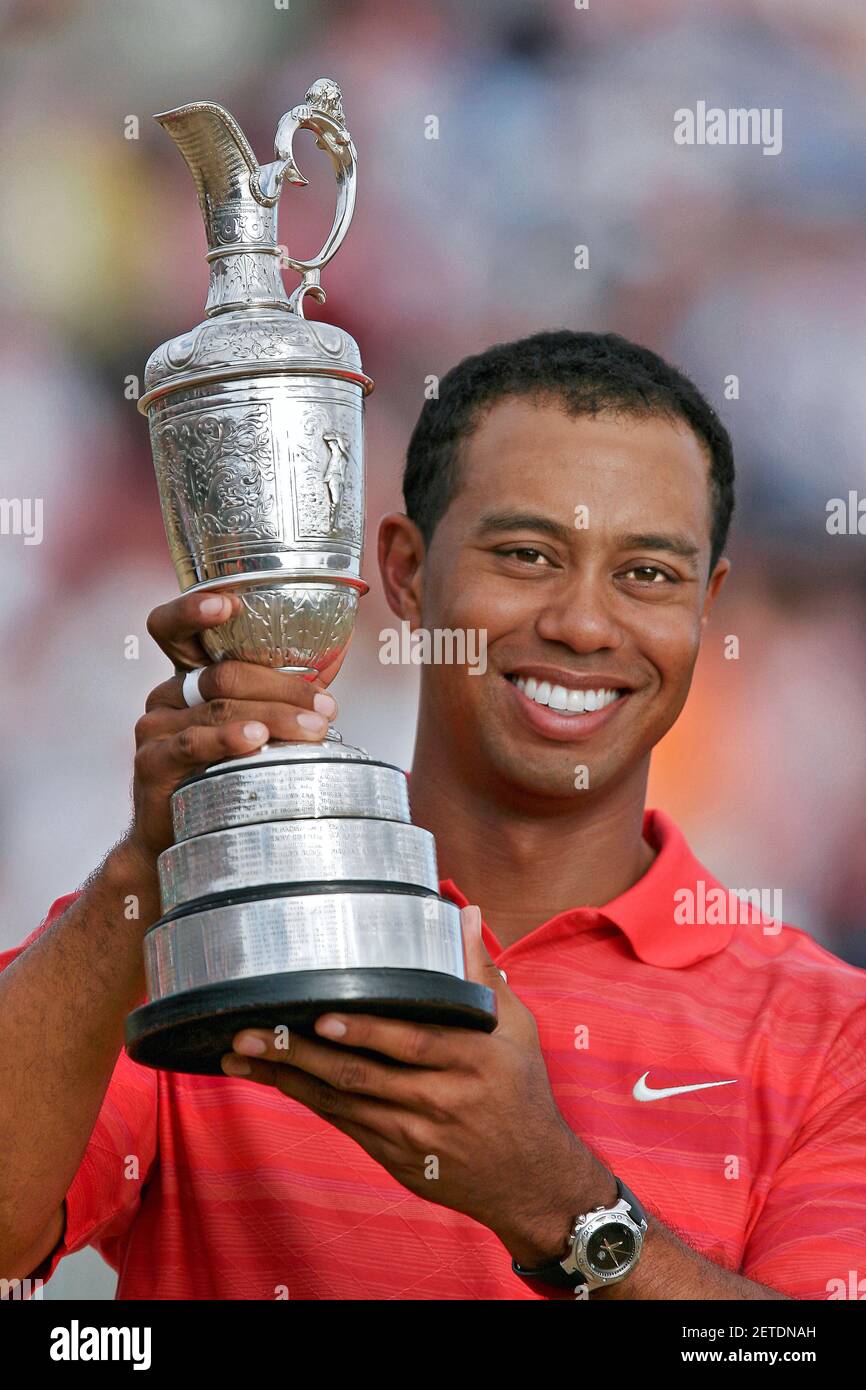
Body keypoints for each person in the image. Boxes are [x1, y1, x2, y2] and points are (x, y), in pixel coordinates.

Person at [1, 331, 864, 1301]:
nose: (582, 623)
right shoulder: (203, 925)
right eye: (527, 554)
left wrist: (556, 1205)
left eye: (647, 574)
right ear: (406, 575)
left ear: (705, 607)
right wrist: (147, 864)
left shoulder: (834, 1035)